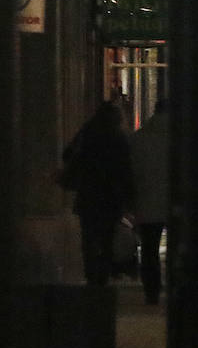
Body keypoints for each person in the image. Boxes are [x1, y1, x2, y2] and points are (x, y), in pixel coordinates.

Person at [60, 100, 137, 286]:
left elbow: (68, 154)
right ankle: (102, 273)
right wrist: (130, 198)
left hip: (88, 195)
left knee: (88, 236)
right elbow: (125, 170)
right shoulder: (119, 138)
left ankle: (91, 273)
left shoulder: (88, 133)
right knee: (107, 237)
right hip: (111, 197)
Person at [130, 100, 171, 304]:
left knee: (149, 249)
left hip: (147, 200)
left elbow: (131, 172)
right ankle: (175, 286)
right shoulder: (180, 139)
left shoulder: (139, 139)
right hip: (174, 202)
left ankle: (151, 290)